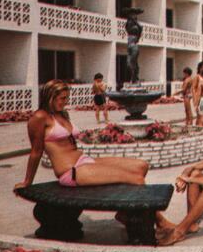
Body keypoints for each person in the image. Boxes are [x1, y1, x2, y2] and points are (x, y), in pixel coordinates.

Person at [13, 80, 149, 191]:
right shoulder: (40, 117)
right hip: (71, 171)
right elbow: (36, 152)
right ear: (50, 97)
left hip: (84, 160)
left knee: (141, 166)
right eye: (62, 98)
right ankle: (158, 220)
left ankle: (125, 212)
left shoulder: (61, 114)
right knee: (136, 178)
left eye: (67, 98)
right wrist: (27, 182)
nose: (66, 102)